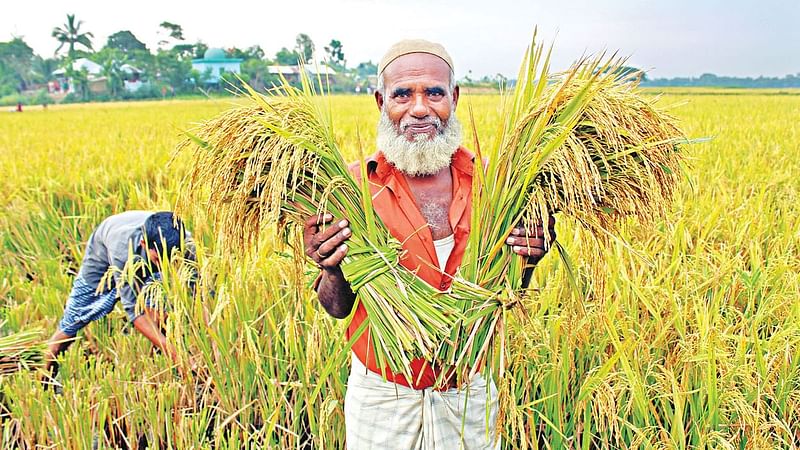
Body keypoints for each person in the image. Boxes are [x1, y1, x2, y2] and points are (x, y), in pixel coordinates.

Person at [302, 40, 556, 449]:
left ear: (453, 98)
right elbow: (337, 308)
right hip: (382, 395)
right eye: (403, 94)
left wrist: (528, 259)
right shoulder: (350, 187)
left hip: (469, 392)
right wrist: (331, 265)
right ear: (381, 101)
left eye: (434, 93)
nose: (419, 108)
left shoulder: (496, 186)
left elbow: (505, 293)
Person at [45, 211, 196, 379]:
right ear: (144, 243)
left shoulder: (186, 244)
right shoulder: (123, 249)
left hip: (145, 257)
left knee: (160, 314)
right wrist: (178, 356)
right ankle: (44, 375)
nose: (164, 266)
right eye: (158, 260)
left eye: (170, 259)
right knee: (72, 322)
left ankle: (164, 368)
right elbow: (135, 313)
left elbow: (202, 296)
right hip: (104, 258)